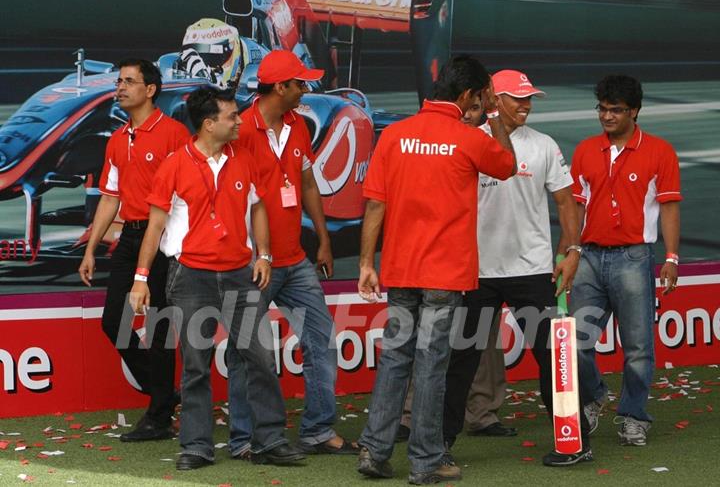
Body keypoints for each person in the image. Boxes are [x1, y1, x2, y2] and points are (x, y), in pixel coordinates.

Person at [356, 55, 517, 485]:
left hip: (400, 267)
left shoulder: (395, 135)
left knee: (395, 359)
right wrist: (497, 116)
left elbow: (375, 203)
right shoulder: (468, 138)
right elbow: (507, 164)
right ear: (467, 96)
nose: (483, 104)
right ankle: (426, 460)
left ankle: (374, 449)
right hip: (445, 273)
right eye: (481, 97)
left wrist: (367, 262)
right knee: (430, 365)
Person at [128, 86, 305, 470]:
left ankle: (270, 440)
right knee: (195, 364)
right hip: (191, 276)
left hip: (241, 275)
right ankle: (196, 446)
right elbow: (155, 226)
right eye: (232, 116)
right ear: (209, 125)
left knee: (259, 357)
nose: (240, 121)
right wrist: (141, 278)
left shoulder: (244, 158)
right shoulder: (174, 165)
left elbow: (258, 209)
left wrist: (264, 254)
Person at [441, 69, 593, 467]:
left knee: (553, 359)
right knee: (461, 361)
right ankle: (437, 446)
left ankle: (573, 442)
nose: (526, 105)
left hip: (532, 271)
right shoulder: (467, 141)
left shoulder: (543, 145)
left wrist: (572, 248)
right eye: (517, 98)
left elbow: (565, 201)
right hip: (477, 271)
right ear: (494, 99)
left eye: (529, 98)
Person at [228, 50, 357, 457]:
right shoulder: (238, 129)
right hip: (252, 264)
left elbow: (308, 185)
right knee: (245, 353)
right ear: (280, 87)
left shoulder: (299, 123)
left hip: (294, 259)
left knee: (321, 340)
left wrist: (322, 239)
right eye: (300, 83)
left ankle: (318, 430)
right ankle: (244, 439)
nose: (306, 89)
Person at [78, 58, 189, 442]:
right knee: (114, 321)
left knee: (159, 327)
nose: (120, 87)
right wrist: (91, 248)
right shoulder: (117, 137)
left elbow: (187, 193)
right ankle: (164, 395)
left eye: (129, 81)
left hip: (163, 240)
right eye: (119, 81)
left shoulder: (174, 134)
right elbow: (110, 197)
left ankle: (159, 415)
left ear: (150, 89)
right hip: (129, 238)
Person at [570, 74, 681, 447]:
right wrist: (568, 253)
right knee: (577, 342)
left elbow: (668, 207)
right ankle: (594, 395)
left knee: (637, 348)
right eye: (602, 109)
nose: (607, 116)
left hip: (635, 257)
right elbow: (575, 210)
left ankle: (634, 415)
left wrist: (671, 257)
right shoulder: (585, 150)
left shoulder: (660, 151)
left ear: (634, 111)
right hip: (588, 256)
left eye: (615, 110)